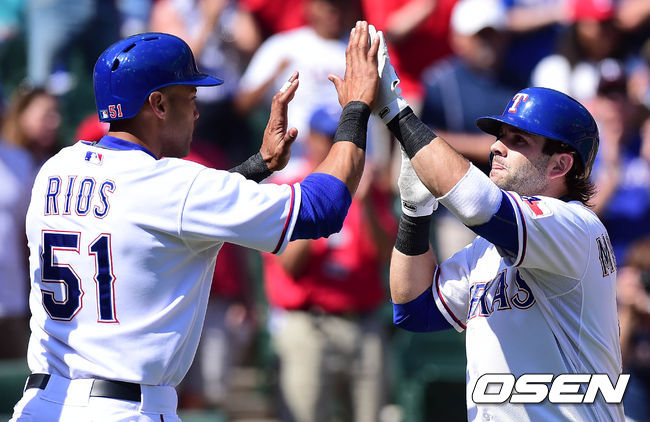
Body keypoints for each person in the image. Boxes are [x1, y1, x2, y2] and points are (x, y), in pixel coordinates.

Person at [11, 22, 379, 422]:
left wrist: (258, 166)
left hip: (41, 405)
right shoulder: (175, 183)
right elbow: (323, 208)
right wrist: (356, 110)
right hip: (123, 409)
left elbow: (164, 208)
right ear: (158, 104)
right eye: (189, 97)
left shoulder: (56, 168)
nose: (197, 111)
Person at [366, 28, 625, 420]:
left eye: (518, 141)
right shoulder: (487, 247)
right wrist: (415, 213)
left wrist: (395, 112)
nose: (494, 148)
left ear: (560, 164)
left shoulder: (576, 226)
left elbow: (477, 204)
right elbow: (414, 309)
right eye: (500, 136)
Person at [262, 105, 396, 422]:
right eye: (328, 137)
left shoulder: (370, 190)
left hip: (363, 322)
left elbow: (388, 257)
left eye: (341, 137)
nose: (337, 144)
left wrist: (365, 205)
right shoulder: (289, 189)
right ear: (312, 139)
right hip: (310, 323)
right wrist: (320, 206)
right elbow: (288, 265)